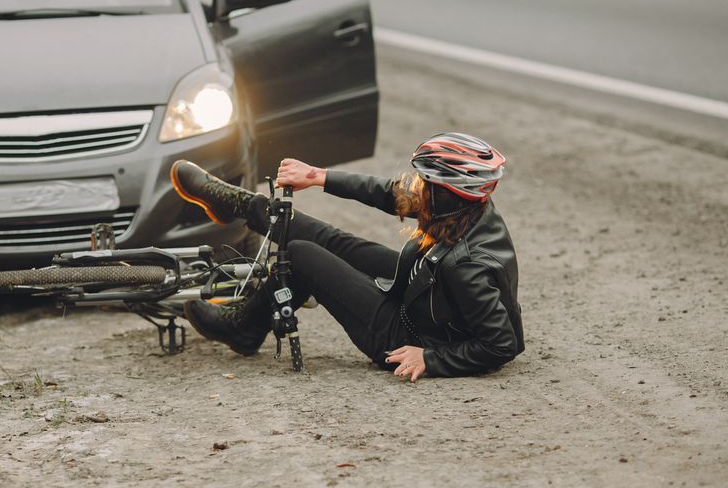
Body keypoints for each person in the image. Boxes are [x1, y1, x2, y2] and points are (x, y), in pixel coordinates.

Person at [171, 132, 524, 380]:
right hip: (424, 292)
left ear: (451, 194)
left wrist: (430, 359)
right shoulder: (464, 209)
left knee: (302, 255)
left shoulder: (466, 266)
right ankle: (241, 204)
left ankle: (242, 328)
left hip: (403, 335)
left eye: (427, 183)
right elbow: (390, 193)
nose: (418, 188)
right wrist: (319, 177)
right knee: (332, 238)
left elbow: (501, 343)